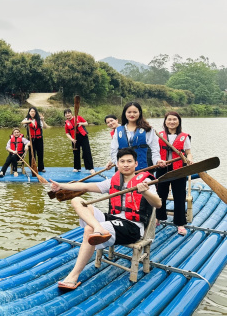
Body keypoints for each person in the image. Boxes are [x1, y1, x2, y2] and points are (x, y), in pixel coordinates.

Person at [50, 148, 162, 290]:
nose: (125, 164)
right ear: (117, 163)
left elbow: (157, 204)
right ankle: (99, 228)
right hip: (113, 220)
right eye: (122, 161)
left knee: (89, 230)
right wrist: (61, 186)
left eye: (129, 161)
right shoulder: (113, 181)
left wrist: (145, 191)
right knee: (77, 200)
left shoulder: (145, 181)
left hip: (132, 227)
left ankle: (73, 275)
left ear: (136, 164)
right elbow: (86, 186)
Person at [156, 112, 193, 235]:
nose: (172, 122)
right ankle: (158, 217)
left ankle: (180, 223)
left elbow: (188, 152)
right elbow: (155, 153)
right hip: (162, 167)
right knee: (160, 194)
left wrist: (190, 159)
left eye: (174, 119)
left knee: (179, 195)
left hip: (178, 169)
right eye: (169, 119)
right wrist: (158, 161)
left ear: (179, 121)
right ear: (165, 122)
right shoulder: (159, 135)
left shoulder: (184, 136)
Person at [110, 102, 166, 171]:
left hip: (144, 167)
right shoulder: (118, 131)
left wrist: (157, 160)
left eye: (135, 112)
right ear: (125, 113)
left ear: (139, 113)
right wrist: (117, 163)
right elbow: (114, 151)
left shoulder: (148, 129)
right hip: (124, 169)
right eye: (129, 112)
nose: (132, 114)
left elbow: (154, 149)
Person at [64, 108, 95, 174]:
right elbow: (67, 133)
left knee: (87, 152)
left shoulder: (78, 117)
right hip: (74, 138)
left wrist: (81, 123)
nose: (68, 114)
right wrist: (72, 140)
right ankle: (77, 167)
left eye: (69, 113)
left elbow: (86, 123)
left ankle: (90, 168)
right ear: (65, 115)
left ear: (71, 113)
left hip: (83, 136)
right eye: (66, 113)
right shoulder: (66, 123)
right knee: (76, 153)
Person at [21, 107, 46, 172]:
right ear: (29, 112)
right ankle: (32, 167)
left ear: (36, 112)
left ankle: (41, 168)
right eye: (31, 111)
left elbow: (45, 127)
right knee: (32, 154)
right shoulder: (27, 119)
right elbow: (22, 122)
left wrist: (43, 120)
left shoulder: (39, 119)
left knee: (40, 154)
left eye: (34, 111)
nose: (33, 113)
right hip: (31, 139)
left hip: (39, 139)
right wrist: (30, 121)